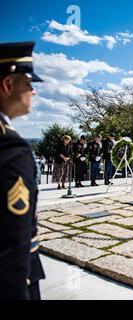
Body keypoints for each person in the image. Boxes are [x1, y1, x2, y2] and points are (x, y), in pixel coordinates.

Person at [0, 41, 45, 299]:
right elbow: (11, 247)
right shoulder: (10, 147)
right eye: (28, 83)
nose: (33, 92)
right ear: (8, 85)